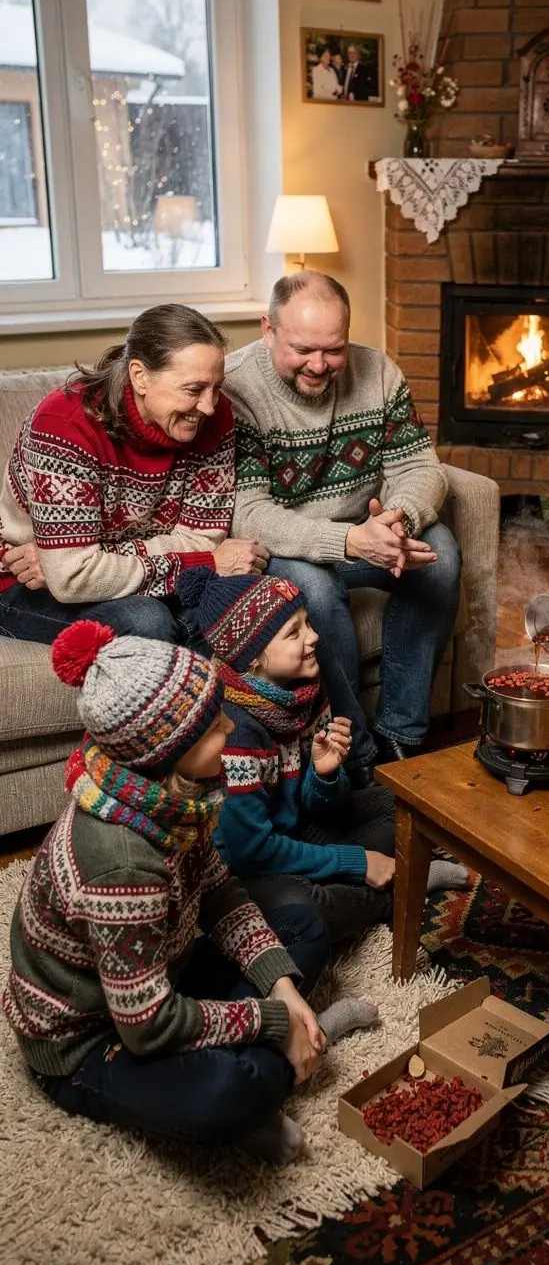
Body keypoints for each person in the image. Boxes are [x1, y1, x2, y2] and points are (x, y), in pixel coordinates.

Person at [1, 620, 378, 1161]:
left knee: (302, 926)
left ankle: (292, 1034)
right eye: (213, 725)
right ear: (169, 749)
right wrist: (274, 1019)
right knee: (226, 1093)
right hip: (91, 1038)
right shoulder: (120, 863)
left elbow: (219, 891)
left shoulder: (174, 797)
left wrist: (283, 991)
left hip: (157, 973)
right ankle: (285, 1059)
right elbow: (149, 1026)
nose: (230, 724)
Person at [224, 271, 462, 787]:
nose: (319, 365)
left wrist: (400, 520)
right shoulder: (236, 389)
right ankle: (354, 755)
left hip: (368, 531)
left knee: (438, 550)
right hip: (286, 546)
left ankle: (403, 735)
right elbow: (249, 514)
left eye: (333, 350)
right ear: (268, 330)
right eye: (303, 349)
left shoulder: (378, 373)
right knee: (312, 587)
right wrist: (352, 540)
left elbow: (422, 469)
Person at [177, 566, 469, 944]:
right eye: (293, 632)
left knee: (401, 805)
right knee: (305, 908)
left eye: (307, 623)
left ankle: (381, 873)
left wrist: (324, 774)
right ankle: (400, 890)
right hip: (248, 868)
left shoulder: (305, 688)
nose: (314, 637)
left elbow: (321, 808)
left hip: (298, 832)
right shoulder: (236, 730)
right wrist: (356, 863)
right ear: (253, 658)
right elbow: (251, 853)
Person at [0, 303, 267, 647]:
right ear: (140, 376)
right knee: (147, 620)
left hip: (87, 573)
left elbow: (204, 539)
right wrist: (204, 563)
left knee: (257, 604)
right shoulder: (66, 427)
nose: (209, 406)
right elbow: (72, 579)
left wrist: (89, 559)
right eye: (193, 389)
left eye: (216, 387)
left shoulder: (214, 420)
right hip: (21, 584)